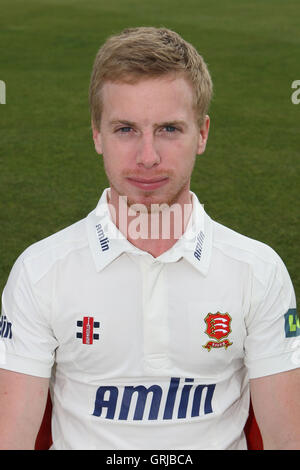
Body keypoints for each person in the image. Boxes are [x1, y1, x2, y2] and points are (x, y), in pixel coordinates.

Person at [0, 26, 299, 451]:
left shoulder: (259, 271)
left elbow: (287, 441)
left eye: (169, 129)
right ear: (96, 134)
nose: (147, 157)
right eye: (125, 129)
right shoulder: (40, 271)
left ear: (203, 134)